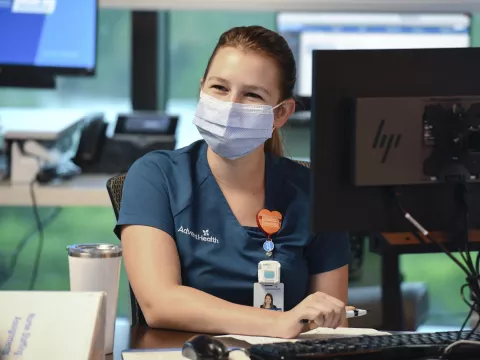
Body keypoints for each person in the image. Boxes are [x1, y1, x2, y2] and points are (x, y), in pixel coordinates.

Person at [115, 25, 352, 339]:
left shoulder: (315, 193)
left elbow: (332, 325)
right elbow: (159, 303)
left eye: (252, 94)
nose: (231, 105)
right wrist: (277, 323)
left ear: (281, 113)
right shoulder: (156, 175)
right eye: (219, 88)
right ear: (202, 88)